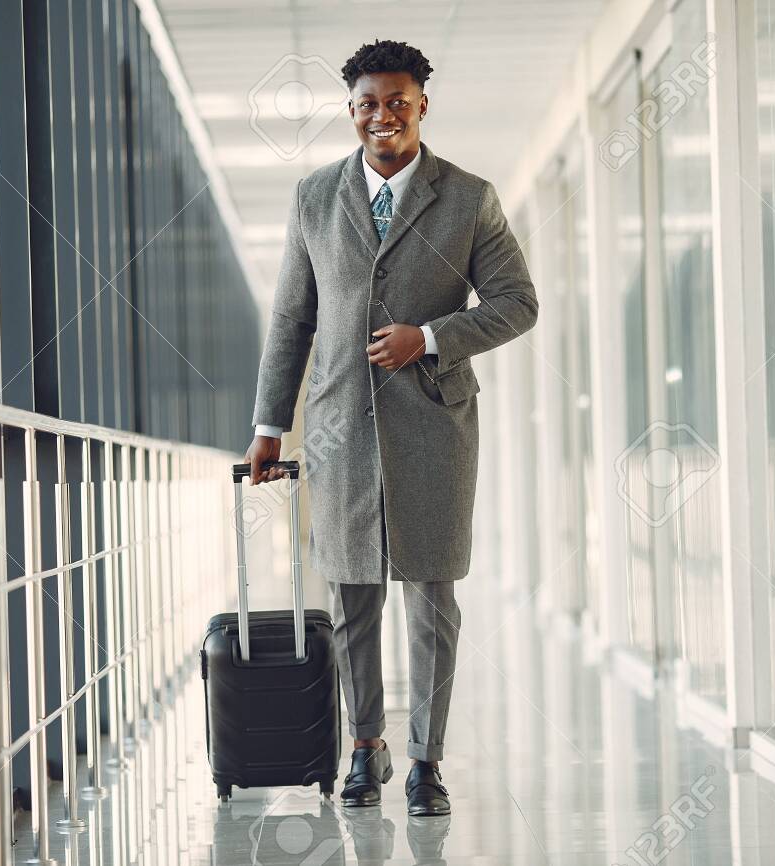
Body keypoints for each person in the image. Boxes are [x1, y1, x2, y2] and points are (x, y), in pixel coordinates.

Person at [244, 38, 538, 817]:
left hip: (435, 427)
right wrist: (269, 424)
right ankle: (364, 747)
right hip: (339, 427)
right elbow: (292, 318)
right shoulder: (314, 197)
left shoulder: (469, 197)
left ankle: (426, 762)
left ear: (422, 106)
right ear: (351, 110)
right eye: (368, 103)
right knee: (351, 599)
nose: (383, 115)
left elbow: (517, 302)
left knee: (432, 602)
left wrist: (431, 337)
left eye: (398, 102)